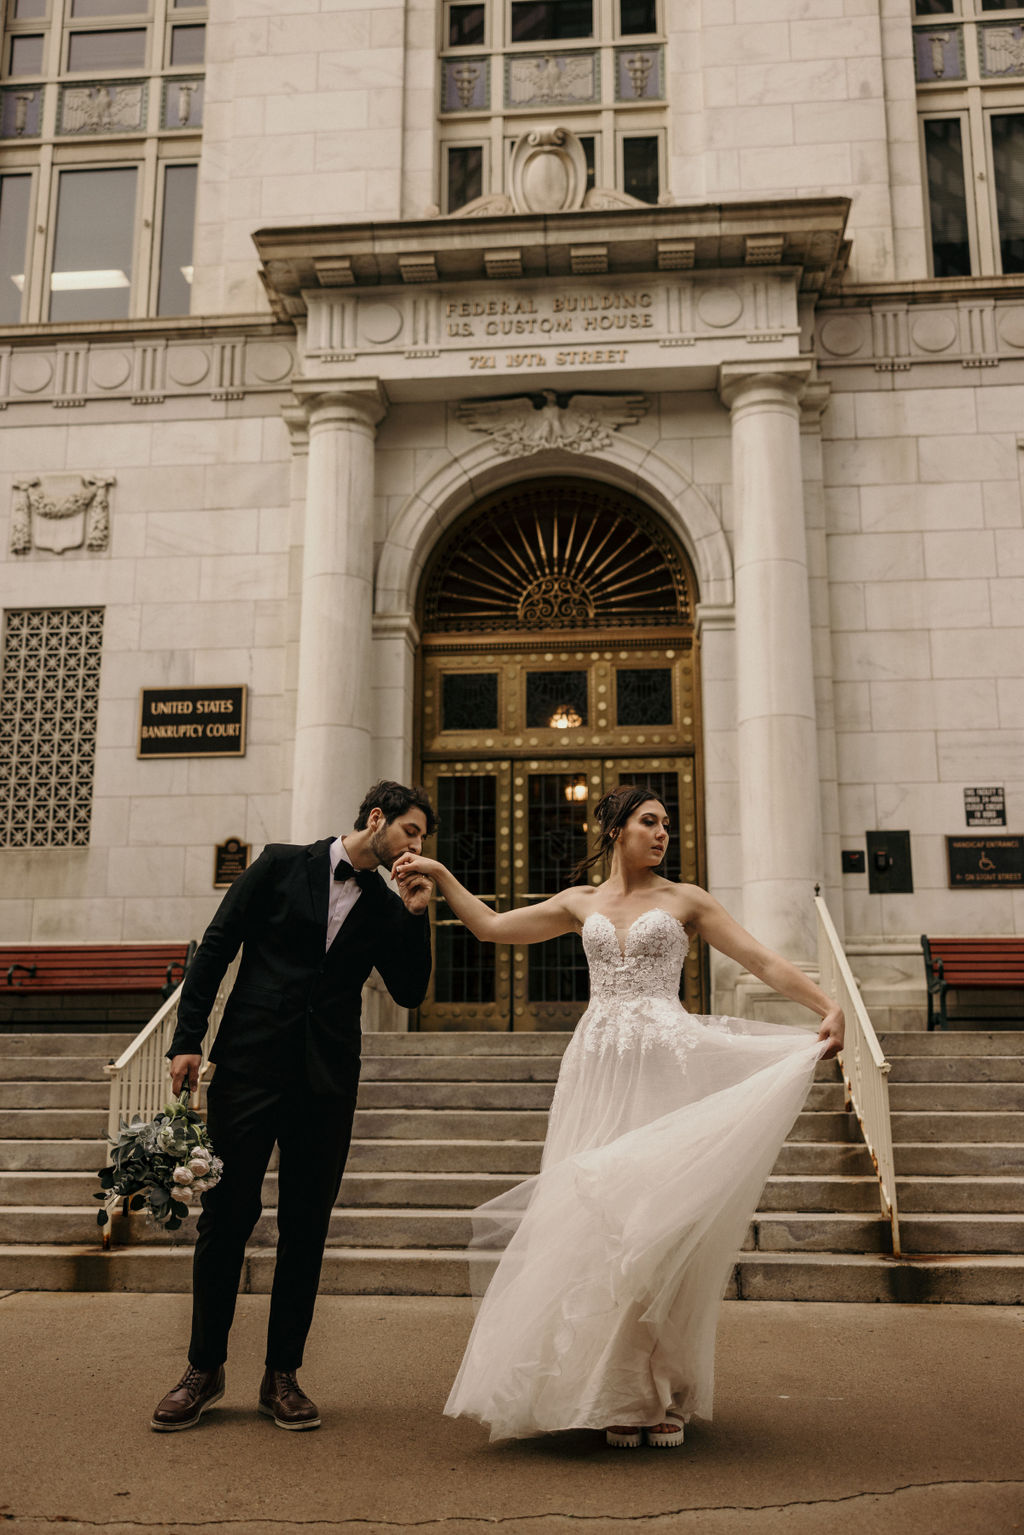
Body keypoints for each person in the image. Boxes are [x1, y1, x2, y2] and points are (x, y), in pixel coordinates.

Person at [393, 785, 843, 1449]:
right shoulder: (581, 904)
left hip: (666, 1063)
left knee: (654, 1223)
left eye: (666, 824)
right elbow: (491, 926)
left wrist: (824, 1004)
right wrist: (440, 873)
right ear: (615, 830)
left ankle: (656, 1390)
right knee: (597, 1221)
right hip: (598, 1068)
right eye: (649, 822)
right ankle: (609, 1392)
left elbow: (760, 957)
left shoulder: (686, 900)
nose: (662, 833)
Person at [151, 780, 436, 1433]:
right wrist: (186, 1039)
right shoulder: (282, 863)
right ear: (376, 818)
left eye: (423, 838)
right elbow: (217, 944)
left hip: (327, 1082)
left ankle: (282, 1374)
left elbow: (412, 991)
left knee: (305, 1227)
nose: (417, 846)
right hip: (249, 1069)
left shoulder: (389, 906)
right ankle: (203, 1368)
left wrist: (419, 914)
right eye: (411, 831)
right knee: (227, 1217)